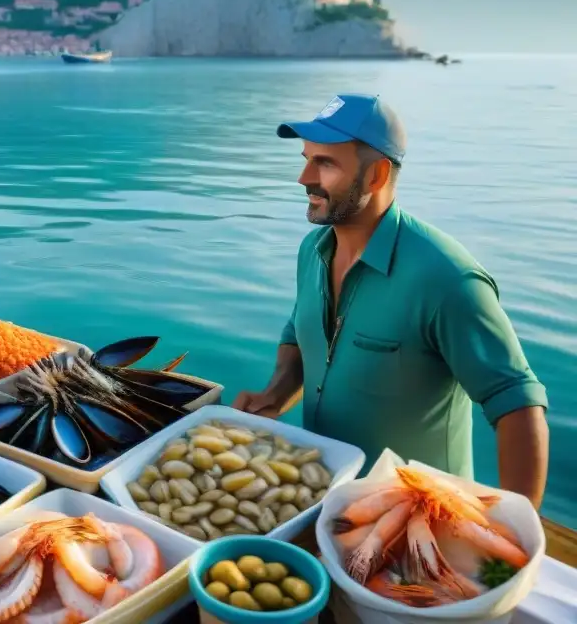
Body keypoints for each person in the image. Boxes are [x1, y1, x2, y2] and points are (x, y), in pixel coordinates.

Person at [234, 94, 550, 508]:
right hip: (321, 499)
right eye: (307, 158)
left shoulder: (447, 279)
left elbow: (518, 405)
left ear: (376, 176)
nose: (303, 177)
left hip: (420, 521)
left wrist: (514, 531)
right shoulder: (312, 250)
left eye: (325, 163)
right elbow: (300, 330)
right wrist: (274, 394)